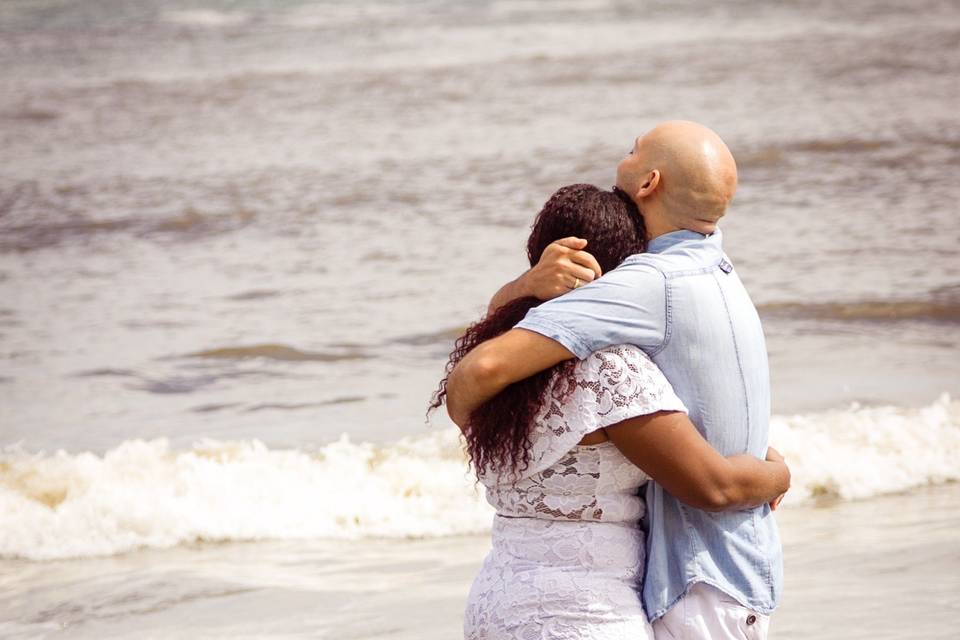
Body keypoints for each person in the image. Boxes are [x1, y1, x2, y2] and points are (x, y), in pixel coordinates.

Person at [445, 122, 783, 639]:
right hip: (621, 602)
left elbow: (484, 368)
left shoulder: (636, 292)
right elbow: (715, 485)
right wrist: (775, 475)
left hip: (497, 601)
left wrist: (525, 288)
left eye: (631, 152)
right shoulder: (707, 274)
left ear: (649, 182)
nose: (619, 159)